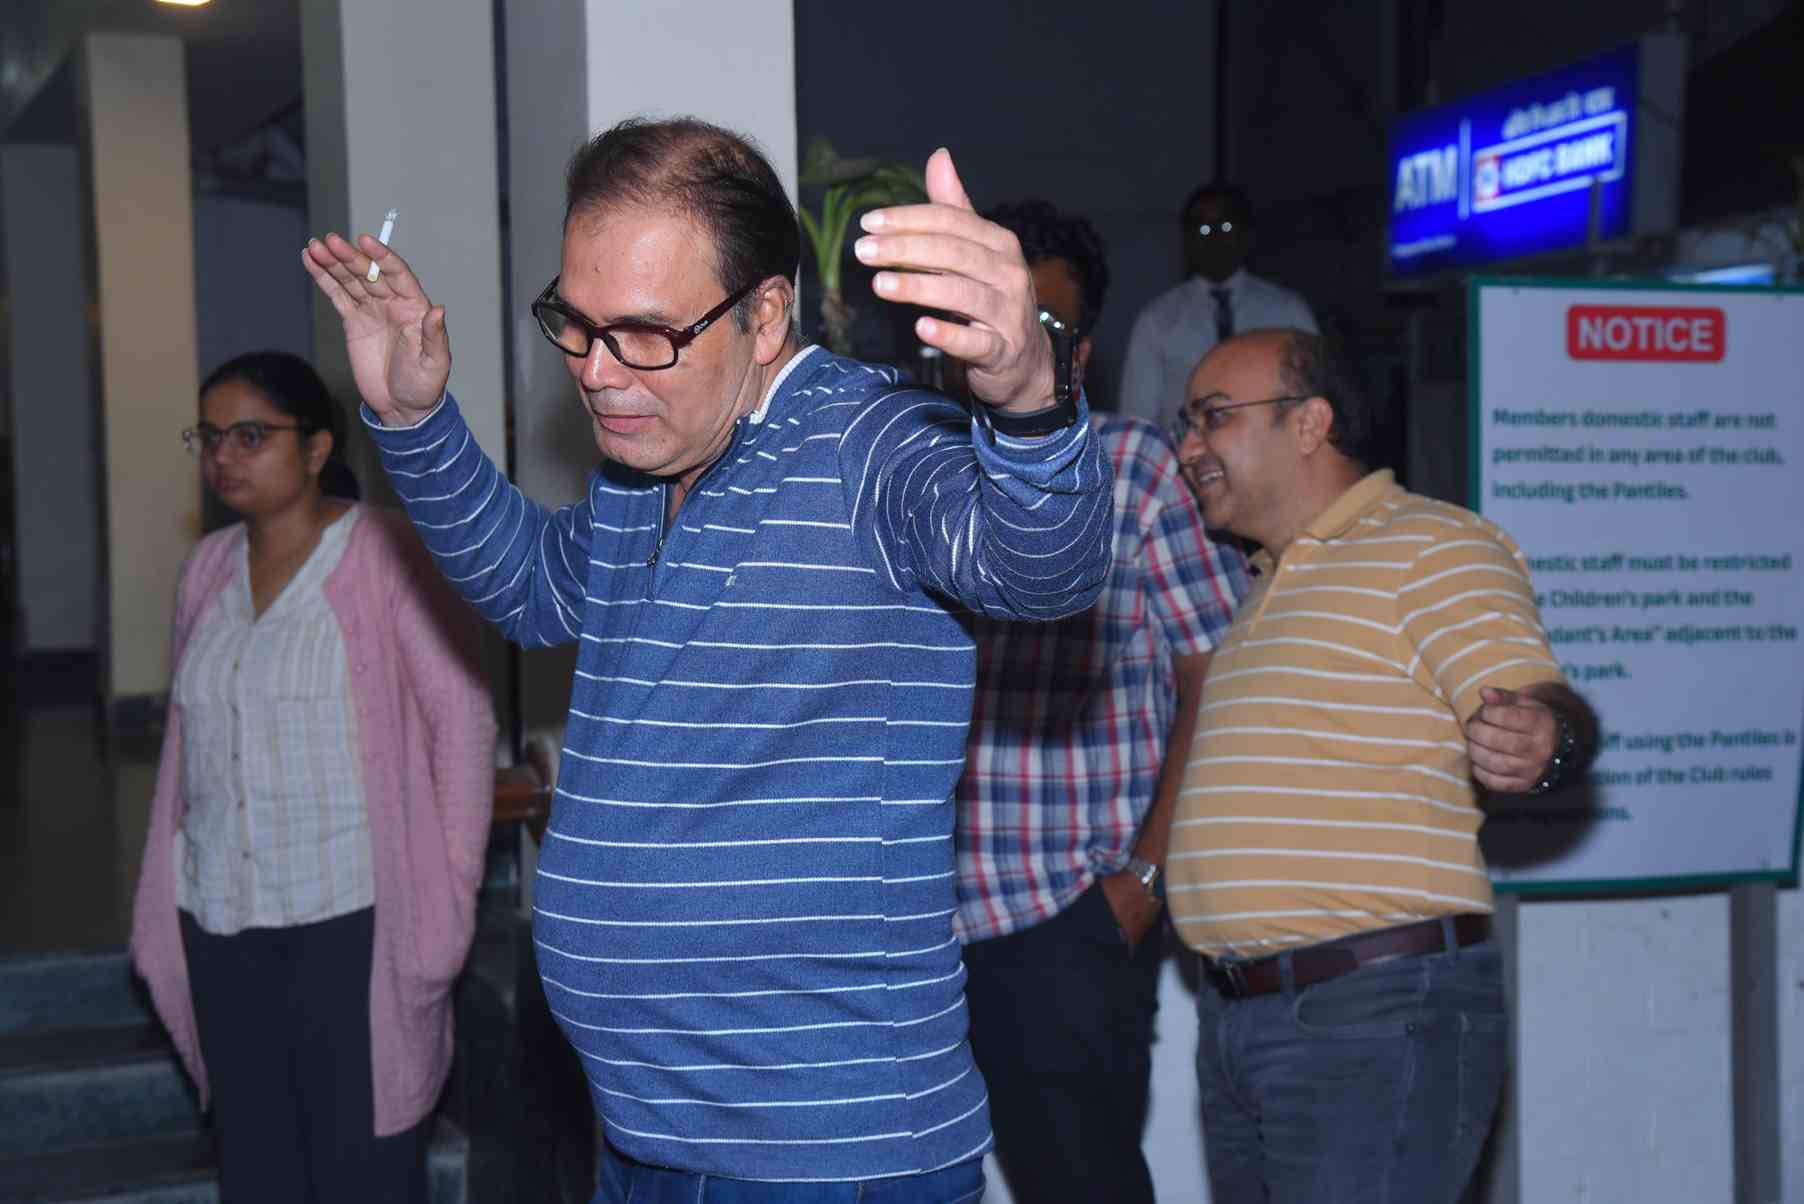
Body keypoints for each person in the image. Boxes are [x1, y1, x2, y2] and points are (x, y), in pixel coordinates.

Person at [301, 117, 1114, 1201]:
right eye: (576, 325)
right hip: (649, 1137)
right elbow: (534, 588)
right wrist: (413, 420)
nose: (598, 374)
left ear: (765, 315)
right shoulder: (645, 469)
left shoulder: (867, 443)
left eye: (644, 334)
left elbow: (1043, 569)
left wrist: (1027, 400)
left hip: (826, 1157)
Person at [1166, 329, 1599, 1204]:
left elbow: (1542, 700)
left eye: (1213, 418)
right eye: (1187, 424)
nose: (1188, 449)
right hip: (1245, 1020)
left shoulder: (1429, 545)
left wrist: (1544, 737)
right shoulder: (1266, 584)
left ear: (1309, 423)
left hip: (1372, 1012)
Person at [129, 351, 498, 1203]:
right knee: (257, 1169)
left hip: (351, 924)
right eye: (210, 436)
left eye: (250, 435)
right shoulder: (205, 571)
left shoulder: (389, 554)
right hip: (221, 916)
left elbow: (464, 724)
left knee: (361, 1170)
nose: (224, 455)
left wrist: (449, 896)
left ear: (318, 447)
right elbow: (191, 745)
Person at [949, 199, 1245, 1204]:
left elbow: (1216, 678)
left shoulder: (1136, 468)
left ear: (1082, 347)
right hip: (916, 923)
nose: (1017, 343)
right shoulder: (921, 474)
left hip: (1065, 918)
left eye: (1047, 324)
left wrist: (1142, 883)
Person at [1117, 184, 1316, 432]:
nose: (1214, 238)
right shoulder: (1157, 319)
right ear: (1186, 239)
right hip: (1183, 451)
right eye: (1203, 228)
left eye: (1226, 227)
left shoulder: (1287, 310)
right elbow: (1137, 419)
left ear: (1247, 234)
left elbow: (1314, 394)